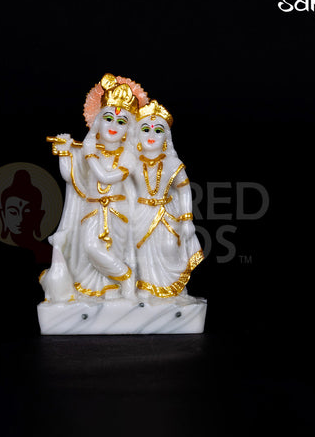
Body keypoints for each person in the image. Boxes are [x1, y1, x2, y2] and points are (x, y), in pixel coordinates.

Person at [41, 74, 148, 301]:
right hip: (91, 209)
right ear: (98, 121)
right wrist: (67, 153)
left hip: (118, 212)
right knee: (89, 248)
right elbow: (72, 178)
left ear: (128, 129)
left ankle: (120, 283)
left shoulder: (128, 155)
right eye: (108, 118)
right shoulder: (89, 149)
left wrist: (89, 152)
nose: (113, 126)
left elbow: (106, 177)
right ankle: (125, 277)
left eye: (121, 122)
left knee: (114, 250)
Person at [128, 100, 203, 298]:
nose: (151, 135)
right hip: (139, 214)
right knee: (140, 251)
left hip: (167, 214)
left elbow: (184, 190)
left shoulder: (172, 163)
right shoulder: (131, 161)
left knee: (169, 247)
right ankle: (145, 287)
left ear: (166, 137)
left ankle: (173, 289)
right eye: (146, 129)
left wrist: (187, 219)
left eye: (158, 130)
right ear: (136, 134)